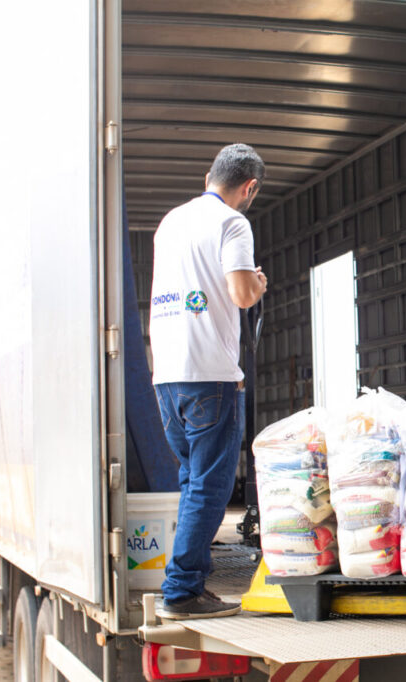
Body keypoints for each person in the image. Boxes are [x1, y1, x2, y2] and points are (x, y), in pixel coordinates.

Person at [149, 143, 268, 619]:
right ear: (249, 187)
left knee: (192, 482)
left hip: (167, 378)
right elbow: (242, 294)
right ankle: (181, 591)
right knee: (209, 488)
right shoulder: (233, 223)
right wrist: (257, 283)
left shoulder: (170, 221)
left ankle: (187, 581)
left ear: (208, 177)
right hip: (210, 377)